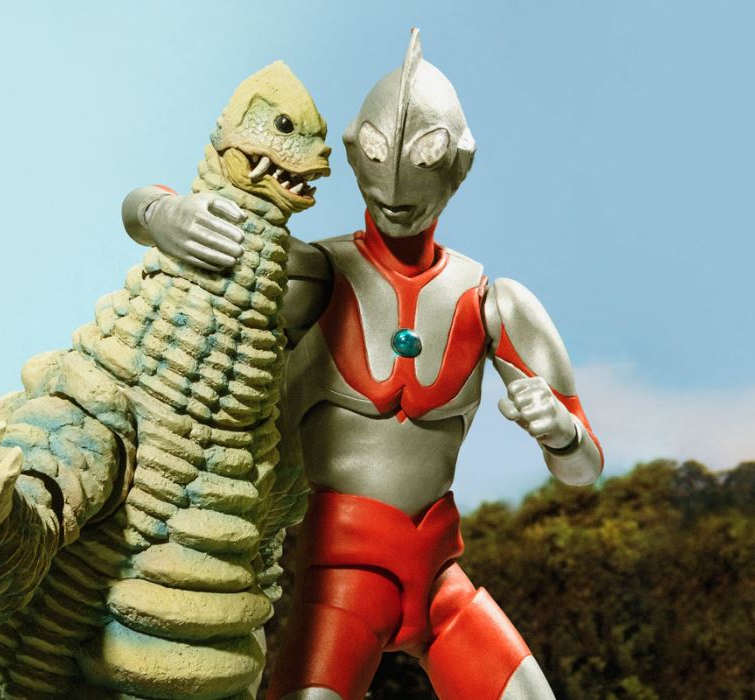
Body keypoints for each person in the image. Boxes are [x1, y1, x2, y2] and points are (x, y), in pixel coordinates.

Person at [121, 30, 602, 700]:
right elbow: (163, 230)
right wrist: (161, 212)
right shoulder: (314, 275)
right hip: (340, 580)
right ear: (356, 156)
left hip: (440, 579)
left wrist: (559, 430)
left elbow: (584, 468)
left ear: (458, 166)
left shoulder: (493, 304)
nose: (397, 197)